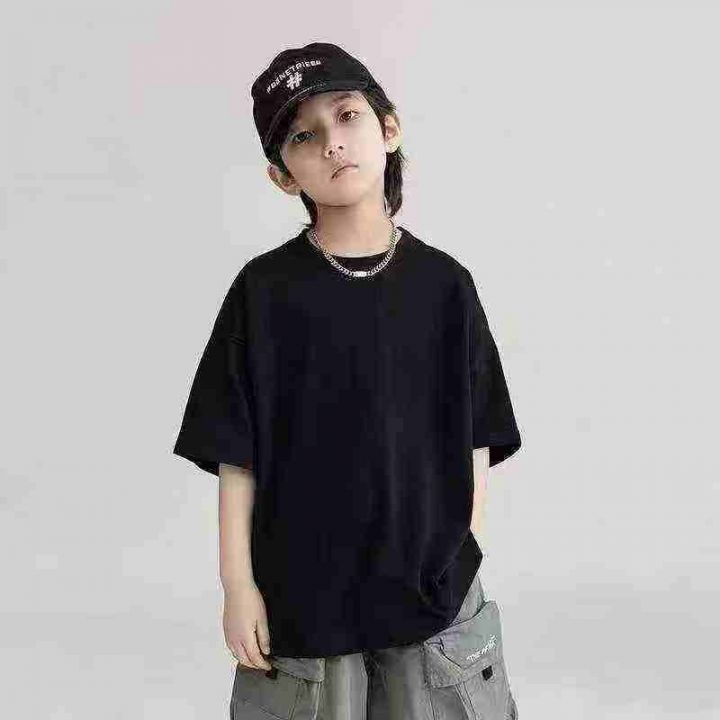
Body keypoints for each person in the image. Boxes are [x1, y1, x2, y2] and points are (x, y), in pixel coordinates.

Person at [173, 41, 521, 720]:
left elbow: (476, 436)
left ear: (388, 128)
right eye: (304, 136)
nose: (332, 142)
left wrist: (461, 554)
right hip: (305, 596)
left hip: (433, 594)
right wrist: (237, 586)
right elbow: (236, 456)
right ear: (282, 175)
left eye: (347, 116)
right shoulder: (263, 293)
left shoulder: (445, 286)